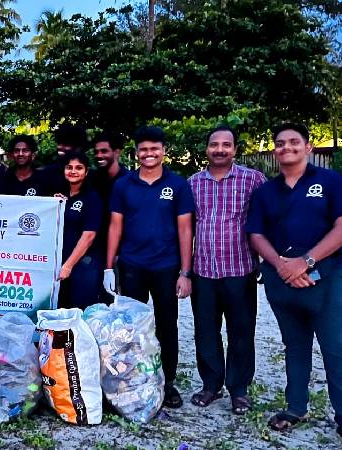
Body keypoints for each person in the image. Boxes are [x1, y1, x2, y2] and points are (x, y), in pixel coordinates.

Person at [246, 123, 342, 437]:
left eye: (294, 142)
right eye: (280, 143)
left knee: (335, 347)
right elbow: (256, 234)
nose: (286, 147)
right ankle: (295, 407)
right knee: (295, 345)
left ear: (308, 147)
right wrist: (282, 266)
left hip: (326, 276)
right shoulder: (265, 191)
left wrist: (307, 261)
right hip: (280, 278)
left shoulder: (330, 181)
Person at [104, 125, 195, 409]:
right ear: (137, 152)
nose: (149, 154)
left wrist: (185, 272)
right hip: (132, 265)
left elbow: (185, 230)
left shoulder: (178, 185)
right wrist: (109, 267)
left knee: (167, 326)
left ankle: (167, 383)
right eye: (143, 149)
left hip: (166, 267)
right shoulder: (124, 185)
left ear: (164, 152)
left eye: (155, 149)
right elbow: (115, 226)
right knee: (130, 328)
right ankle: (129, 380)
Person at [188, 125, 266, 415]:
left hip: (240, 268)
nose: (220, 150)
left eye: (226, 145)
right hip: (203, 270)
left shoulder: (253, 179)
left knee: (242, 331)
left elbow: (265, 219)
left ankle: (239, 389)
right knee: (206, 330)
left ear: (235, 149)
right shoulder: (193, 183)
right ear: (206, 149)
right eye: (214, 145)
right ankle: (211, 385)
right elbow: (186, 226)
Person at [54, 151, 103, 310]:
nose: (73, 171)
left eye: (79, 168)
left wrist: (68, 265)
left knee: (80, 312)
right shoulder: (61, 196)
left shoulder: (92, 197)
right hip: (61, 263)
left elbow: (88, 236)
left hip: (83, 266)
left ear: (86, 171)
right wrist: (54, 205)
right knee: (61, 310)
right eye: (69, 167)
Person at [88, 131, 130, 304]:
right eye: (96, 151)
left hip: (122, 254)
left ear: (117, 152)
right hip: (93, 250)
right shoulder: (90, 178)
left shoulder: (129, 181)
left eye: (104, 151)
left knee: (119, 302)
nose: (99, 155)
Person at [42, 125, 88, 196]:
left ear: (78, 148)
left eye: (66, 144)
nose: (60, 147)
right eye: (59, 143)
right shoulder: (49, 172)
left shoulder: (90, 176)